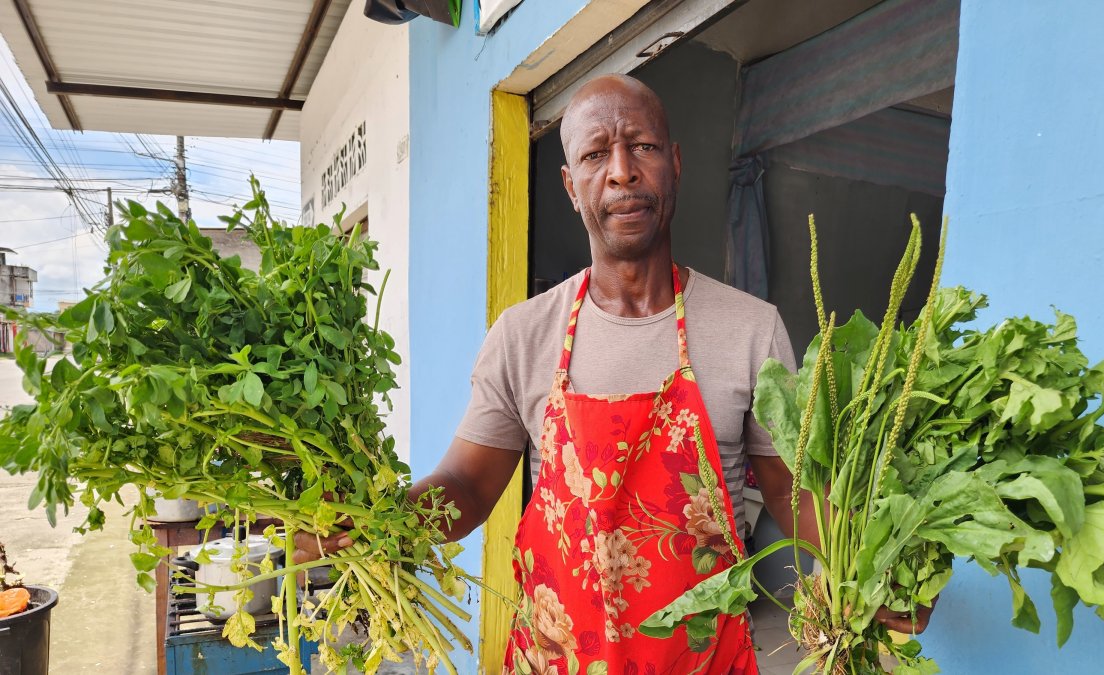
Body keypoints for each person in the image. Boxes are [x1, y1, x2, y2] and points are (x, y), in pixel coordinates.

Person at [297, 73, 929, 673]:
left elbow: (792, 492)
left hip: (702, 661)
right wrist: (380, 524)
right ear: (572, 187)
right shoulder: (523, 335)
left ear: (674, 165)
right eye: (597, 154)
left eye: (642, 146)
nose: (622, 170)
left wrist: (871, 569)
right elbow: (467, 485)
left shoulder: (750, 330)